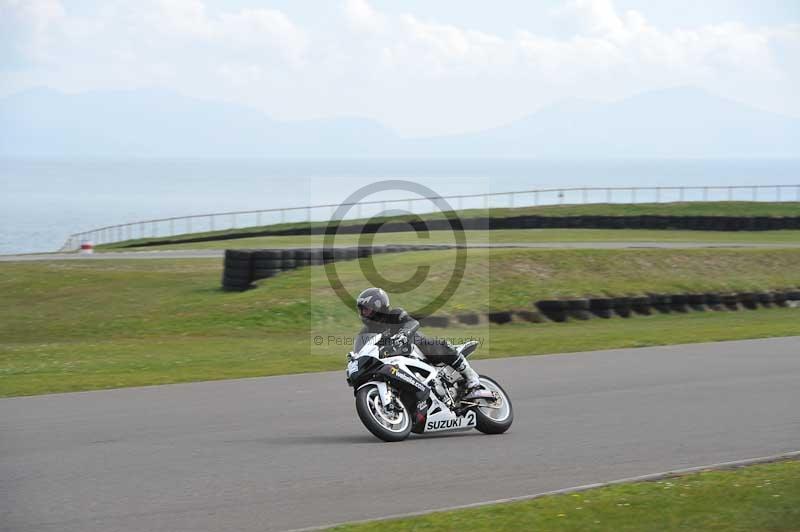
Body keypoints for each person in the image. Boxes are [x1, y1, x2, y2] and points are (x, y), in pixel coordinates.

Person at [353, 287, 491, 401]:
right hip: (391, 360)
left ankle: (471, 377)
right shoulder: (366, 331)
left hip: (413, 349)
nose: (363, 313)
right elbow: (362, 349)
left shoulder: (395, 314)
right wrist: (356, 357)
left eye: (366, 309)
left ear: (378, 306)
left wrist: (404, 334)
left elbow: (412, 323)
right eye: (362, 310)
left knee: (423, 341)